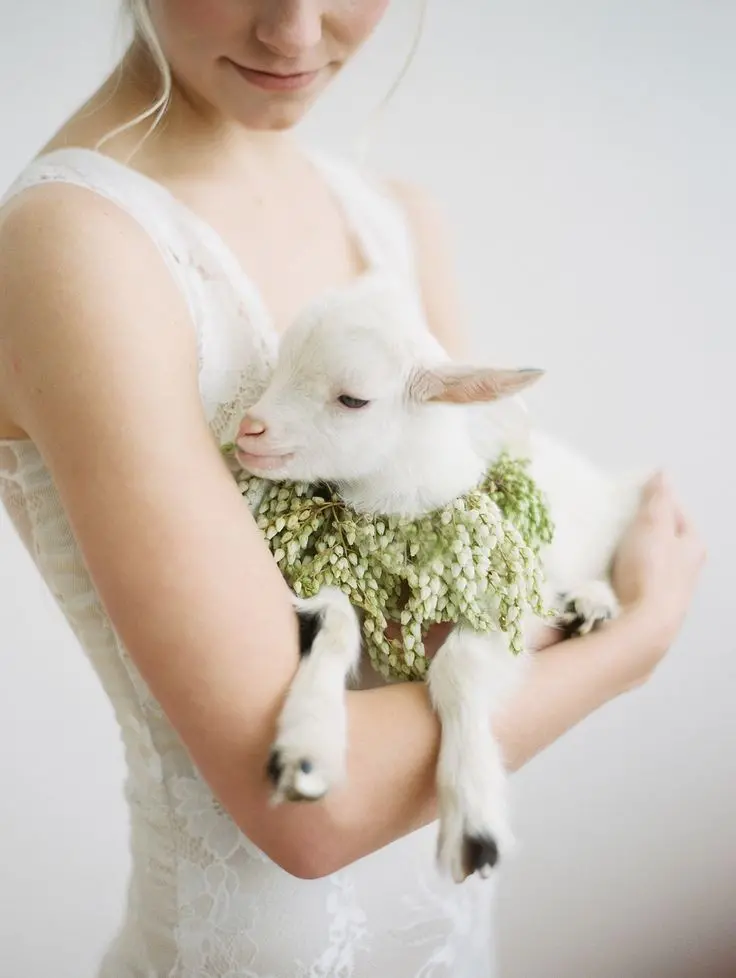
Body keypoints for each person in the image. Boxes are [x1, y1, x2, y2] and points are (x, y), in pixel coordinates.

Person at [0, 2, 705, 976]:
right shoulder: (74, 248)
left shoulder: (394, 222)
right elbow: (310, 814)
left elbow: (467, 586)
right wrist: (636, 638)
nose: (294, 32)